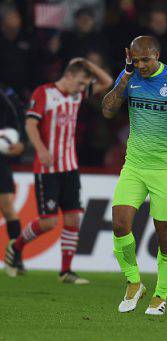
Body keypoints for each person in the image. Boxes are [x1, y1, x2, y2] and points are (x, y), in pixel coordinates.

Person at [102, 36, 167, 316]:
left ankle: (160, 294)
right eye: (136, 59)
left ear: (157, 55)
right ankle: (134, 282)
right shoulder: (129, 76)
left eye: (146, 59)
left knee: (165, 234)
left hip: (164, 168)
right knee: (119, 224)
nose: (141, 65)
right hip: (134, 165)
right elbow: (107, 111)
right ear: (129, 56)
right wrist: (124, 77)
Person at [4, 58, 113, 281]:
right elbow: (30, 124)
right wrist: (41, 150)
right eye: (81, 83)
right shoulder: (44, 93)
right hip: (48, 170)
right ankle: (16, 246)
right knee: (49, 222)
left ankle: (66, 271)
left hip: (70, 167)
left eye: (85, 85)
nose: (84, 89)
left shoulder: (76, 94)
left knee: (73, 219)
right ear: (69, 75)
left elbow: (108, 81)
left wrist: (86, 63)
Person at [0, 86, 24, 274]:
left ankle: (16, 259)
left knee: (7, 206)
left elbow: (17, 114)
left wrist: (21, 141)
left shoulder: (5, 94)